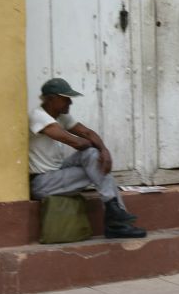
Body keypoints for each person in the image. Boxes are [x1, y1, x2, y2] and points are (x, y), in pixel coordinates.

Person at [28, 77, 146, 239]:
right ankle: (116, 222)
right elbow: (75, 141)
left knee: (93, 156)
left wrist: (104, 150)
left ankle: (115, 215)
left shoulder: (60, 116)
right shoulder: (38, 116)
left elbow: (88, 133)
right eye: (65, 98)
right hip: (41, 183)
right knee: (96, 168)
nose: (70, 102)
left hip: (58, 173)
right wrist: (97, 151)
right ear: (50, 99)